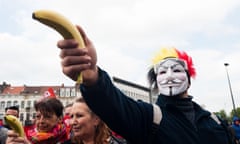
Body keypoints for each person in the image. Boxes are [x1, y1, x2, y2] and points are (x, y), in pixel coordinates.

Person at [56, 25, 234, 144]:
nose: (170, 76)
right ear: (156, 81)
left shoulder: (214, 121)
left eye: (177, 70)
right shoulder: (148, 118)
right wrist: (93, 78)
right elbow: (117, 106)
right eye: (162, 72)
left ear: (189, 77)